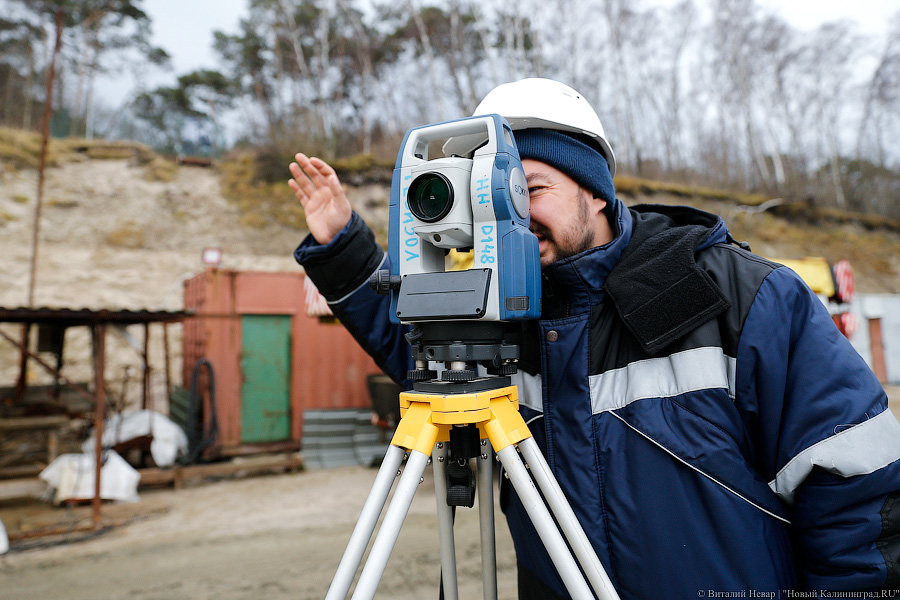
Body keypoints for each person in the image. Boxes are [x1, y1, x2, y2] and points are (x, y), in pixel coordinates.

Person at [290, 78, 900, 599]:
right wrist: (343, 247)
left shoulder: (732, 297)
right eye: (488, 200)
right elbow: (425, 355)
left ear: (597, 191)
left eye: (528, 190)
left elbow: (856, 490)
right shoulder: (501, 316)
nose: (510, 218)